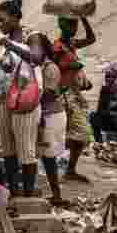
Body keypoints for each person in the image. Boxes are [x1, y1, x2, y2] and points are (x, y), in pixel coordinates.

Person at [0, 0, 45, 197]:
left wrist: (10, 46)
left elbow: (37, 57)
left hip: (26, 100)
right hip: (6, 98)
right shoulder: (6, 42)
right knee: (8, 147)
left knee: (26, 148)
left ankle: (29, 192)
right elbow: (8, 68)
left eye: (2, 19)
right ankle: (15, 190)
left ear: (15, 18)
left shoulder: (31, 35)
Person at [52, 15, 97, 183]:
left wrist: (84, 18)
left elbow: (91, 38)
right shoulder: (57, 47)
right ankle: (59, 163)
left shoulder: (71, 45)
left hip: (75, 93)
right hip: (65, 94)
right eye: (71, 24)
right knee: (81, 133)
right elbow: (51, 66)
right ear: (62, 26)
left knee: (76, 134)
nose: (74, 28)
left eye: (75, 25)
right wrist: (70, 66)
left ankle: (68, 169)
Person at [34, 34, 68, 207]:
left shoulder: (50, 68)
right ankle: (52, 192)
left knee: (48, 156)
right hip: (46, 114)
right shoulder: (40, 66)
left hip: (51, 116)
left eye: (34, 47)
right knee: (44, 155)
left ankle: (56, 194)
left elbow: (50, 93)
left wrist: (30, 95)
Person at [89, 63, 117, 153]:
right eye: (107, 77)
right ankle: (99, 142)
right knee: (93, 117)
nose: (109, 79)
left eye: (112, 77)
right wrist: (109, 113)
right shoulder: (105, 90)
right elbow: (100, 109)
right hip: (107, 119)